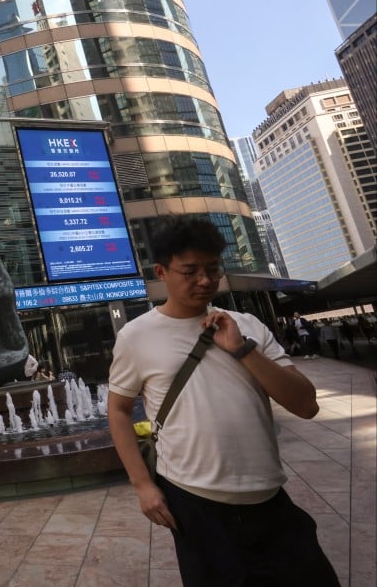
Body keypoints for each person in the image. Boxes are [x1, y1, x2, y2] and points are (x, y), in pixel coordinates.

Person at [107, 215, 337, 586]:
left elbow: (306, 405)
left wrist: (242, 350)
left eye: (213, 269)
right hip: (195, 504)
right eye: (190, 270)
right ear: (161, 272)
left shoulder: (246, 325)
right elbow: (118, 411)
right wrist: (142, 485)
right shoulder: (137, 336)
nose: (204, 280)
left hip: (270, 498)